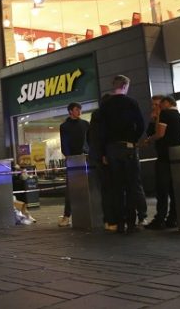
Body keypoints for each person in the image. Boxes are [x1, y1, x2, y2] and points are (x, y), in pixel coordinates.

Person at [100, 75, 145, 234]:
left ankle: (120, 223)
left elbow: (102, 130)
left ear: (114, 86)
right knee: (131, 184)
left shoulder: (105, 105)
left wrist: (104, 151)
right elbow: (140, 124)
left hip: (111, 149)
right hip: (128, 147)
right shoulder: (131, 102)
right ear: (125, 86)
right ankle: (131, 223)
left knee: (117, 187)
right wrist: (133, 139)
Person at [144, 96, 180, 229]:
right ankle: (173, 217)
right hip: (176, 155)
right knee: (174, 189)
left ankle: (160, 218)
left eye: (158, 104)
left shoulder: (166, 114)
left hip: (165, 156)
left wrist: (149, 139)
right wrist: (154, 120)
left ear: (165, 103)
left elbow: (158, 134)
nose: (156, 107)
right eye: (154, 105)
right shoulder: (179, 116)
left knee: (162, 189)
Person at [57, 102, 90, 227]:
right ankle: (67, 216)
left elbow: (90, 140)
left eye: (80, 109)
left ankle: (91, 212)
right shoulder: (64, 126)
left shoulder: (85, 124)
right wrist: (69, 156)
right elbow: (64, 143)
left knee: (89, 186)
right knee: (71, 188)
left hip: (86, 158)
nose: (79, 111)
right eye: (77, 109)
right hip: (73, 159)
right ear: (70, 111)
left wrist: (89, 152)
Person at [87, 93, 117, 231]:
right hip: (106, 156)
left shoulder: (96, 116)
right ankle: (112, 219)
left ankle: (110, 220)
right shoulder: (105, 116)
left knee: (106, 188)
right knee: (112, 188)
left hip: (100, 156)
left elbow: (91, 137)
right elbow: (100, 136)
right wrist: (104, 154)